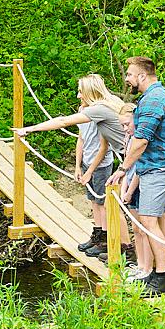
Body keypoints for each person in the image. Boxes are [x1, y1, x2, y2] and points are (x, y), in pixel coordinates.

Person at [13, 73, 131, 256]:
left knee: (112, 205)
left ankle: (123, 249)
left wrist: (30, 129)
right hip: (128, 157)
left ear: (90, 92)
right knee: (111, 204)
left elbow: (64, 121)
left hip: (132, 159)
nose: (78, 96)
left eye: (80, 92)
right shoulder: (112, 101)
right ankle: (117, 246)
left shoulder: (100, 108)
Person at [107, 56, 165, 295]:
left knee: (149, 220)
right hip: (163, 165)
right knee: (161, 219)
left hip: (158, 168)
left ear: (142, 76)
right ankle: (160, 271)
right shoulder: (160, 95)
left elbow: (141, 141)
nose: (127, 78)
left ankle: (162, 278)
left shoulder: (152, 100)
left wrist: (122, 170)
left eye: (129, 74)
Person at [116, 103, 153, 280]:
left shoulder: (140, 140)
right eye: (122, 125)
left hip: (139, 186)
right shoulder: (128, 138)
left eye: (127, 124)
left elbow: (138, 168)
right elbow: (126, 165)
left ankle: (148, 268)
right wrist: (123, 188)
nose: (125, 128)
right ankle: (140, 264)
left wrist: (129, 191)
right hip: (129, 184)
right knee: (136, 229)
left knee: (144, 229)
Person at [74, 100, 113, 255]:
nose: (78, 95)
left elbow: (104, 148)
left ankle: (105, 239)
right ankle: (97, 235)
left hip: (101, 165)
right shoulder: (82, 110)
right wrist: (78, 165)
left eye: (80, 92)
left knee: (102, 202)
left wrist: (90, 170)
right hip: (87, 160)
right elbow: (81, 139)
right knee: (93, 200)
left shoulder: (101, 113)